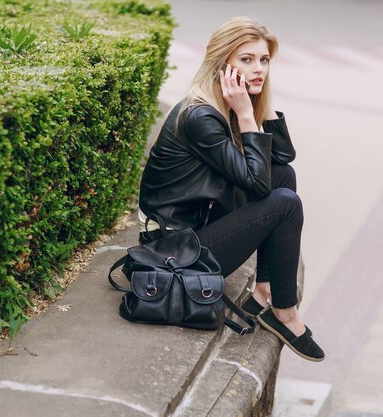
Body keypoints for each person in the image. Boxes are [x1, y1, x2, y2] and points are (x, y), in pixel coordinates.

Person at [137, 16, 324, 362]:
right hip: (174, 251)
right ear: (223, 63)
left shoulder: (225, 105)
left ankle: (265, 289)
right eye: (246, 60)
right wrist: (245, 113)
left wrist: (256, 104)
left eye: (264, 60)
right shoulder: (200, 117)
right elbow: (256, 184)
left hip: (200, 227)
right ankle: (285, 313)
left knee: (283, 176)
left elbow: (281, 158)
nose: (259, 70)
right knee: (285, 203)